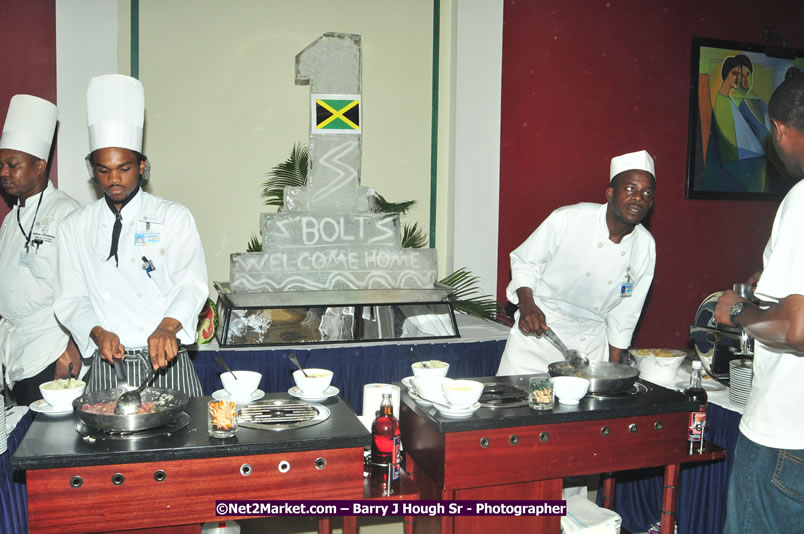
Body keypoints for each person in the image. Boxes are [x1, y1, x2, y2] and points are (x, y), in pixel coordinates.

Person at [55, 74, 207, 396]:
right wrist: (97, 332)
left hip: (166, 362)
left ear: (141, 165)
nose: (113, 179)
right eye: (103, 170)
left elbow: (191, 284)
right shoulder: (74, 226)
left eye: (124, 168)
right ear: (92, 169)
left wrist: (167, 326)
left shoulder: (173, 217)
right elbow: (71, 299)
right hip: (109, 365)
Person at [714, 73, 804, 533]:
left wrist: (738, 310)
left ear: (779, 128)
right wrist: (770, 288)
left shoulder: (802, 199)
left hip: (786, 435)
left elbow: (796, 328)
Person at [497, 150, 656, 375]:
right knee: (514, 397)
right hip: (539, 333)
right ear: (610, 193)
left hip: (589, 346)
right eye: (630, 188)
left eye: (647, 193)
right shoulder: (569, 218)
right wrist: (527, 305)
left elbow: (626, 311)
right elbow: (525, 261)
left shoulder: (645, 245)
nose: (639, 198)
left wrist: (613, 368)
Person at [0, 94, 81, 405]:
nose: (4, 172)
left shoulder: (67, 213)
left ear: (39, 166)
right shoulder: (10, 220)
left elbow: (84, 288)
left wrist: (73, 348)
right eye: (1, 165)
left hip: (52, 349)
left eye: (13, 165)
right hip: (16, 348)